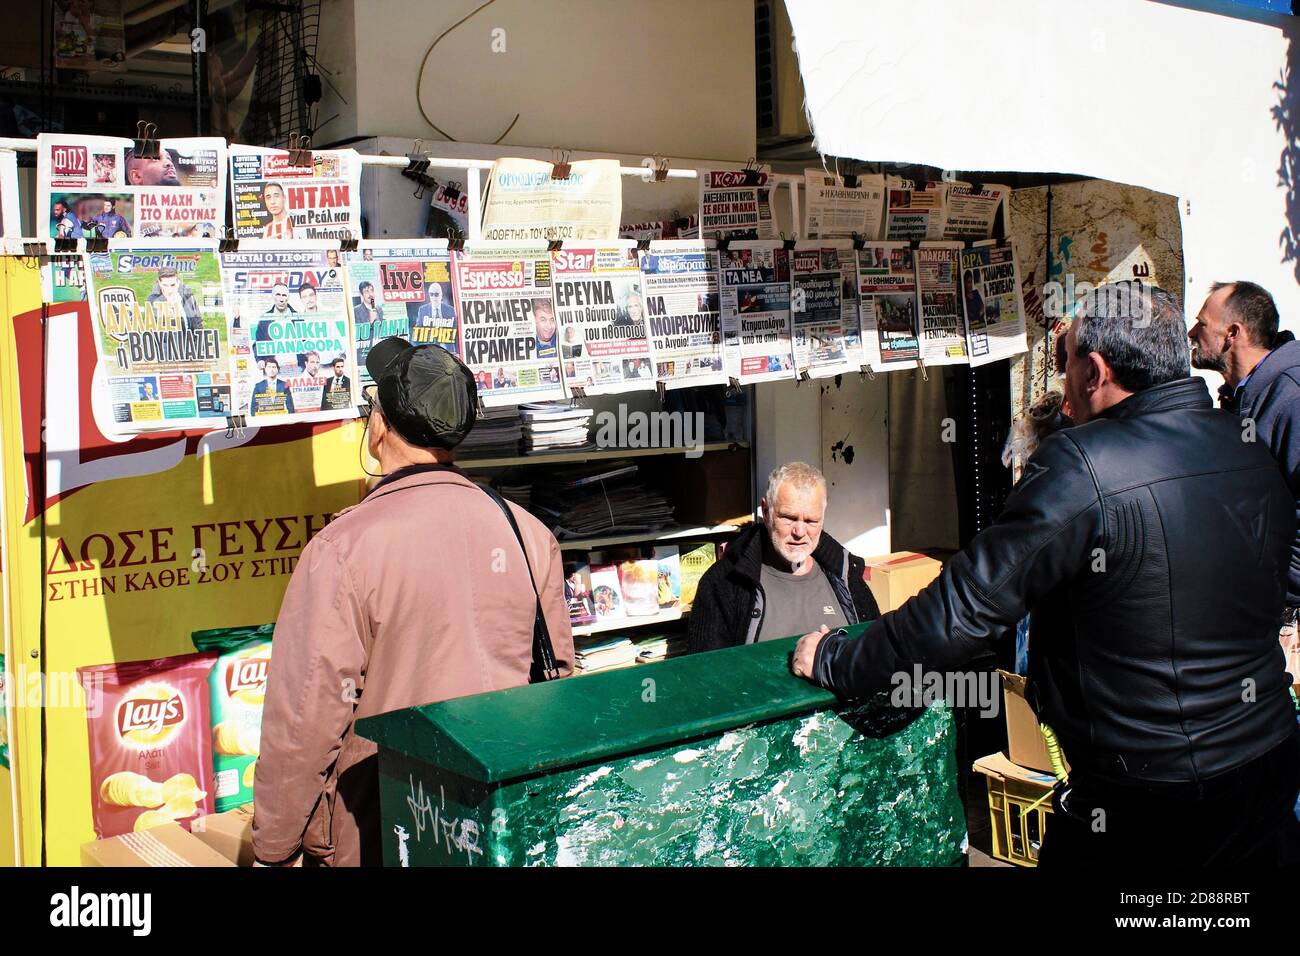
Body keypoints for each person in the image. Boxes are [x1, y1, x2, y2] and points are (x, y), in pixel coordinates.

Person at [793, 282, 1300, 868]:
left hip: (1151, 800)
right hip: (1266, 764)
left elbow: (964, 610)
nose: (1061, 389)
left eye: (1065, 363)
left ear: (1095, 372)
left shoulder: (1084, 463)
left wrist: (837, 659)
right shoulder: (1248, 446)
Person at [253, 338, 574, 866]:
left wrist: (274, 848)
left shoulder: (342, 549)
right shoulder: (529, 533)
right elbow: (555, 680)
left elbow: (304, 721)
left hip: (386, 827)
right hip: (499, 825)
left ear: (378, 427)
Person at [1190, 280, 1300, 616]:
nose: (1192, 332)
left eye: (1202, 324)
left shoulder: (1292, 396)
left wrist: (1275, 591)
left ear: (1232, 333)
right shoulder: (1240, 396)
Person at [687, 462, 881, 652]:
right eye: (789, 518)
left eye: (811, 521)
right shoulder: (724, 583)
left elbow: (874, 655)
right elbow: (705, 674)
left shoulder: (846, 576)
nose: (799, 531)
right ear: (765, 511)